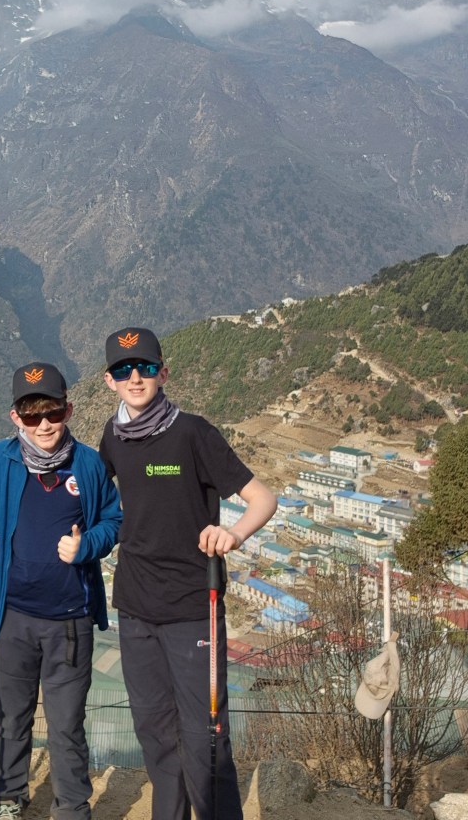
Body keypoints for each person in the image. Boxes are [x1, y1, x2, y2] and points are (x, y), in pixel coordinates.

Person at [98, 327, 277, 820]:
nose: (135, 378)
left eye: (146, 367)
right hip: (134, 609)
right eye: (123, 370)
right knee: (154, 733)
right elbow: (92, 500)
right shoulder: (112, 438)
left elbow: (264, 499)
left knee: (205, 736)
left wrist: (233, 535)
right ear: (109, 381)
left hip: (193, 609)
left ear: (164, 372)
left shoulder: (193, 433)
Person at [0, 361, 122, 820]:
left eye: (53, 412)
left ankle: (72, 808)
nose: (44, 424)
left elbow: (113, 519)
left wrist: (87, 544)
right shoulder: (1, 459)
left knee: (67, 724)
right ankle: (9, 798)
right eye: (32, 415)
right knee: (9, 714)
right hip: (11, 615)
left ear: (69, 409)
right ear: (16, 417)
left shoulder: (86, 462)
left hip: (70, 620)